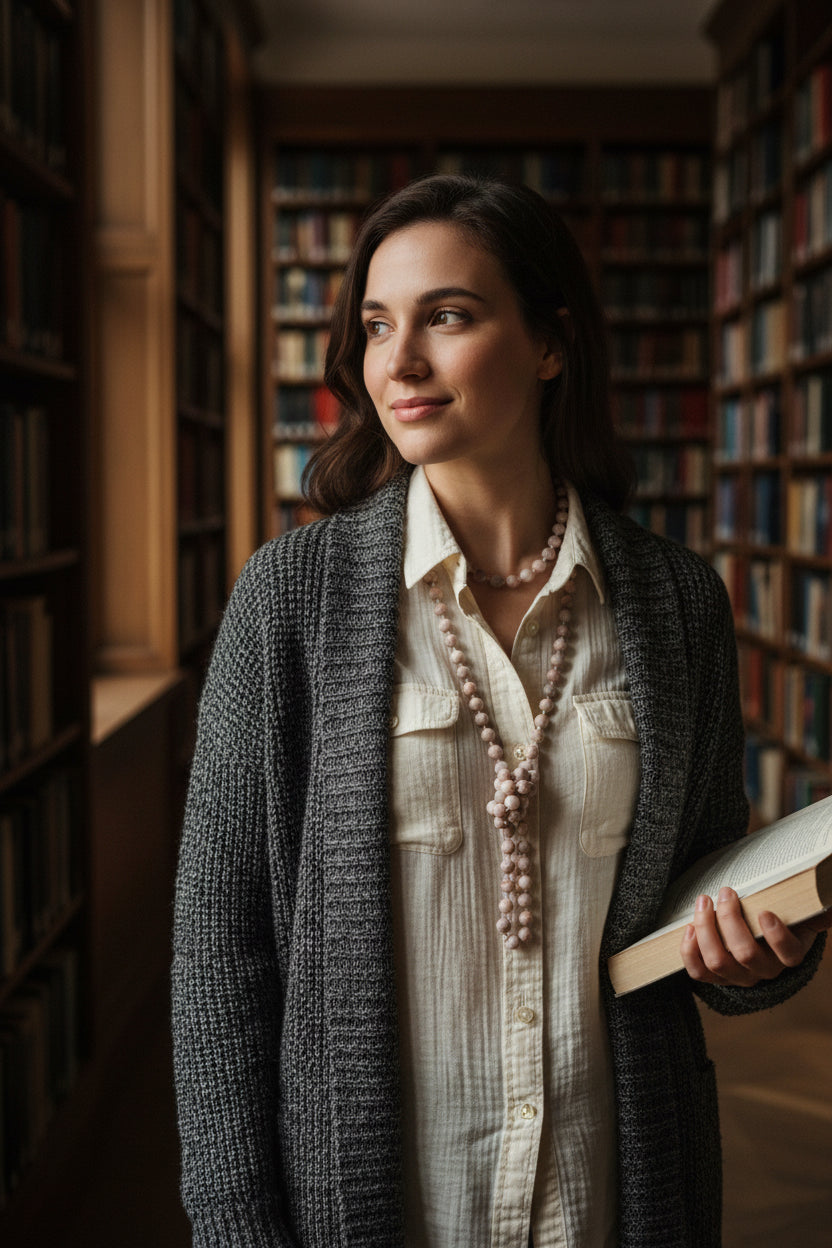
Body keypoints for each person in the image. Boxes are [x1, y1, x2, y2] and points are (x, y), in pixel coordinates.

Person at [171, 175, 828, 1248]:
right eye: (378, 325)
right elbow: (218, 950)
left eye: (449, 316)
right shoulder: (287, 601)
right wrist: (236, 1227)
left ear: (550, 344)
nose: (399, 362)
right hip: (380, 1200)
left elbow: (700, 886)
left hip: (615, 1190)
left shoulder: (674, 604)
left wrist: (764, 960)